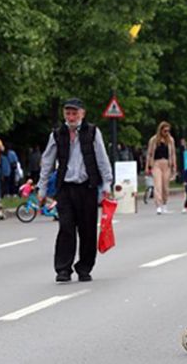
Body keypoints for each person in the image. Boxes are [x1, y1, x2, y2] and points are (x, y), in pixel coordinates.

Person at [38, 98, 113, 283]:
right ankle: (63, 269)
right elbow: (47, 162)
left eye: (74, 113)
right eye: (68, 113)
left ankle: (84, 267)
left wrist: (106, 184)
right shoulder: (57, 134)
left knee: (87, 230)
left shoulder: (93, 132)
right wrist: (42, 187)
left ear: (82, 114)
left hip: (87, 187)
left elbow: (102, 159)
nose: (71, 117)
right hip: (65, 188)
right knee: (66, 228)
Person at [146, 121, 177, 214]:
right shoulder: (154, 140)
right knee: (158, 185)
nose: (166, 132)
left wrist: (174, 166)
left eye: (168, 131)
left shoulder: (170, 140)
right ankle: (158, 205)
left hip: (167, 163)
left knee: (165, 186)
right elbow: (149, 153)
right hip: (156, 163)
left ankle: (164, 203)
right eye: (165, 130)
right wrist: (147, 166)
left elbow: (173, 154)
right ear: (160, 130)